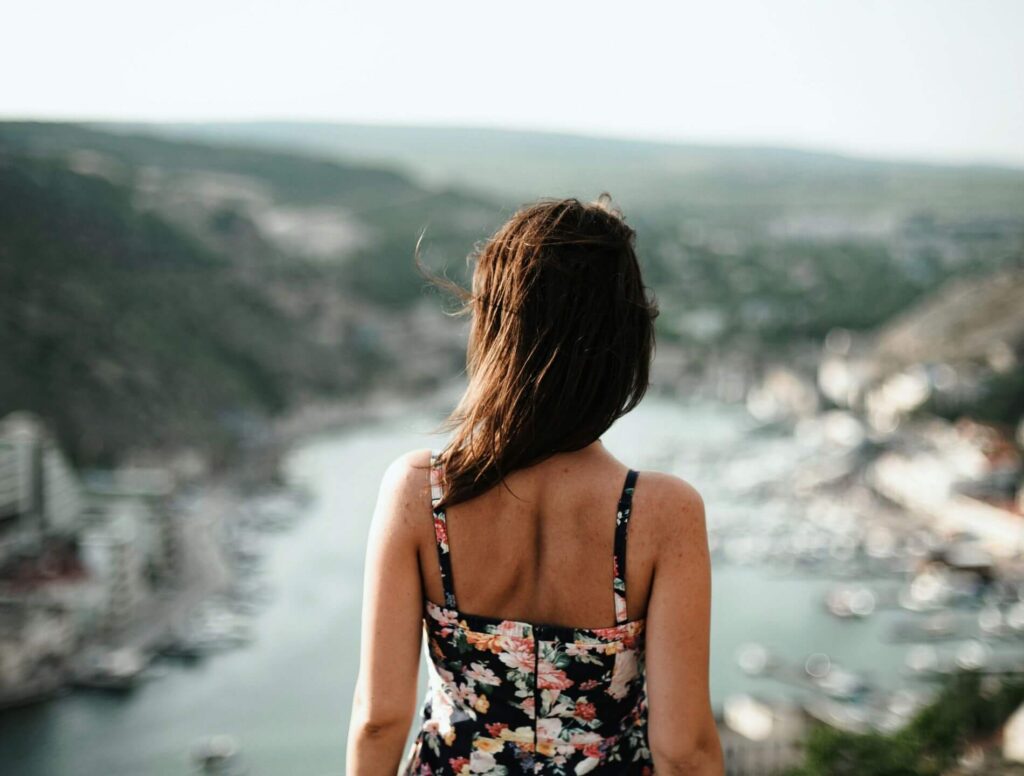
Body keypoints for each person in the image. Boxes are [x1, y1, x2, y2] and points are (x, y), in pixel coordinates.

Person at [346, 195, 722, 775]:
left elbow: (379, 719)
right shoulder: (662, 513)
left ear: (496, 333)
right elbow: (684, 748)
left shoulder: (421, 492)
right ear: (621, 342)